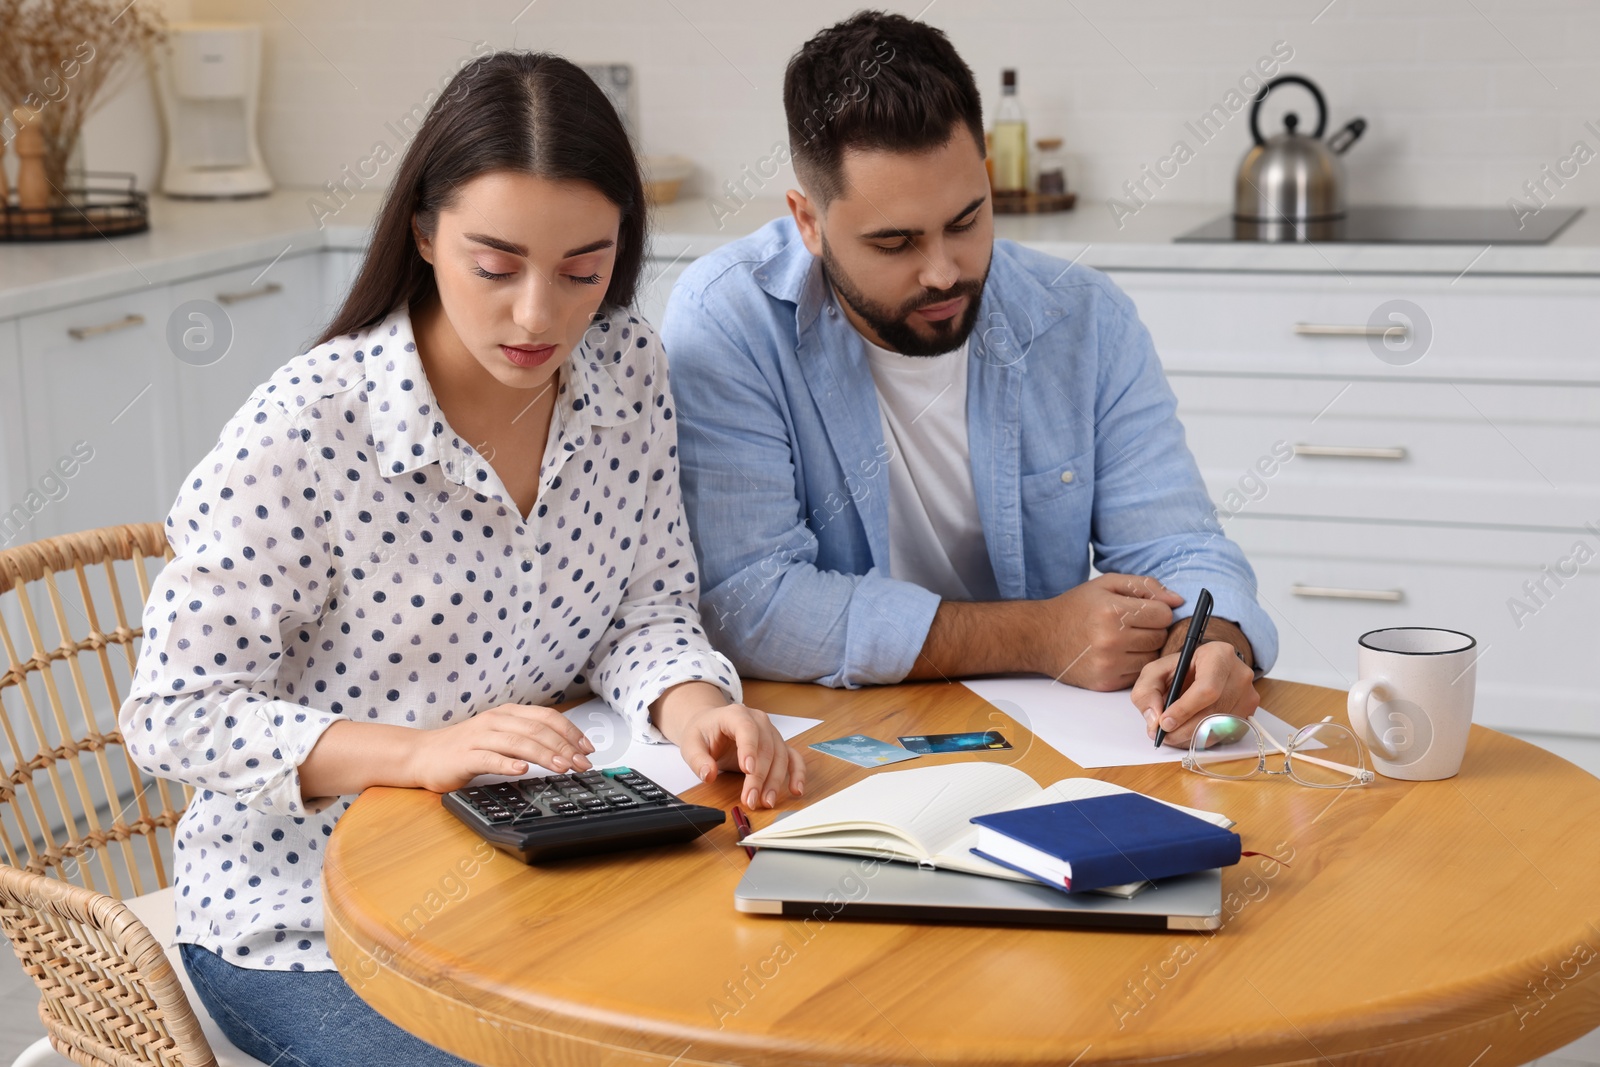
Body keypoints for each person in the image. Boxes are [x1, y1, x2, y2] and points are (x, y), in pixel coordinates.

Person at [118, 51, 804, 1067]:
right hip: (302, 922)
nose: (540, 315)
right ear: (425, 233)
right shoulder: (309, 428)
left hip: (535, 881)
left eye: (584, 268)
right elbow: (172, 714)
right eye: (496, 266)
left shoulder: (626, 373)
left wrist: (697, 710)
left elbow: (646, 611)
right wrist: (417, 751)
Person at [661, 11, 1277, 749]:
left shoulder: (1085, 319)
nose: (944, 271)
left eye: (966, 219)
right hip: (829, 748)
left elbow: (1181, 548)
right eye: (895, 241)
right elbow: (749, 604)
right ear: (808, 222)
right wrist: (1038, 635)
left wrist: (1215, 644)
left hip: (1050, 745)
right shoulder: (727, 320)